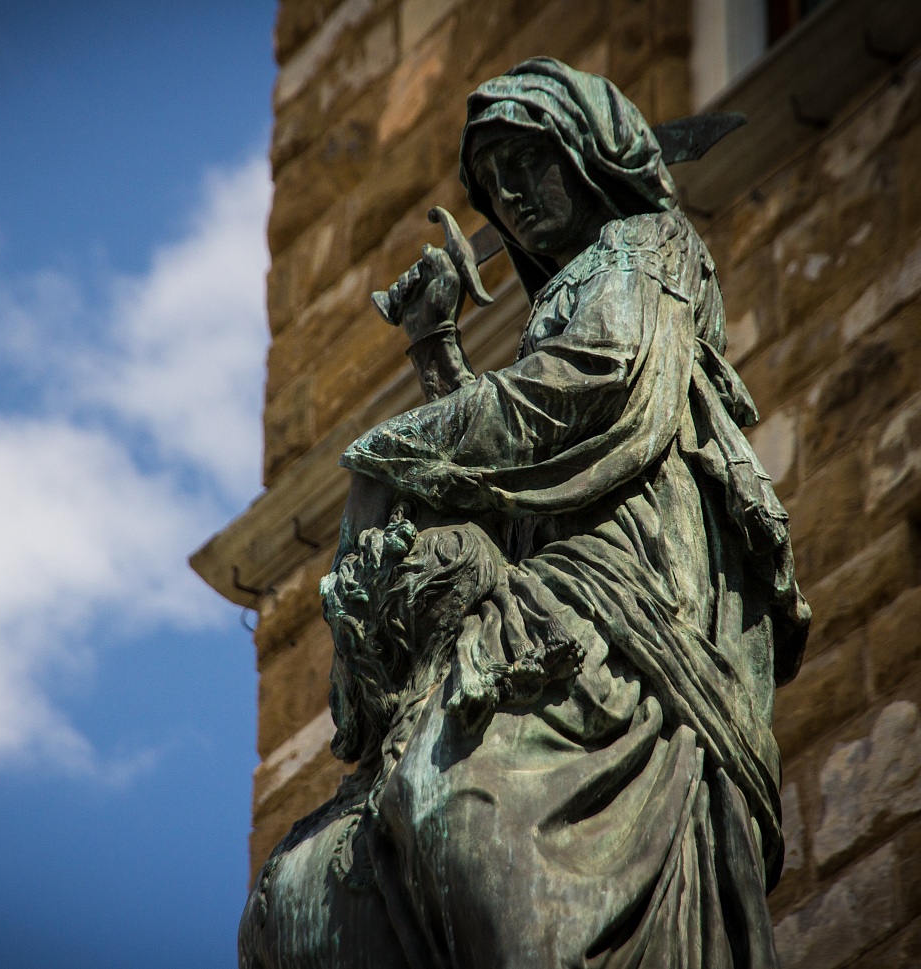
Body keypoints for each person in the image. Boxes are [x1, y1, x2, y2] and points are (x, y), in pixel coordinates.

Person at [239, 57, 810, 969]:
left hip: (632, 593)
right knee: (308, 883)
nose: (512, 195)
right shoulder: (569, 289)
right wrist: (435, 347)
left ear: (585, 155)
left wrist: (406, 440)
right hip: (553, 585)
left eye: (527, 162)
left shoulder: (645, 247)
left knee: (459, 801)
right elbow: (513, 481)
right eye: (493, 184)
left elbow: (582, 393)